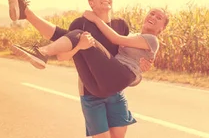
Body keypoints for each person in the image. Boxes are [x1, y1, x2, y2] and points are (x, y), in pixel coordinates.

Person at [7, 0, 151, 138]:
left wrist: (141, 66)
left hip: (114, 90)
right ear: (91, 3)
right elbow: (62, 51)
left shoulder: (121, 26)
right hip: (91, 88)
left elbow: (128, 52)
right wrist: (80, 46)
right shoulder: (81, 23)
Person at [11, 7, 168, 97]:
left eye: (159, 17)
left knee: (81, 35)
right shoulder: (134, 35)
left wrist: (95, 19)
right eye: (152, 13)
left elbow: (116, 39)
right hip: (99, 88)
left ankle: (42, 51)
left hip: (119, 76)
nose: (153, 16)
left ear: (161, 28)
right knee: (78, 40)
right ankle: (28, 15)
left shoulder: (152, 40)